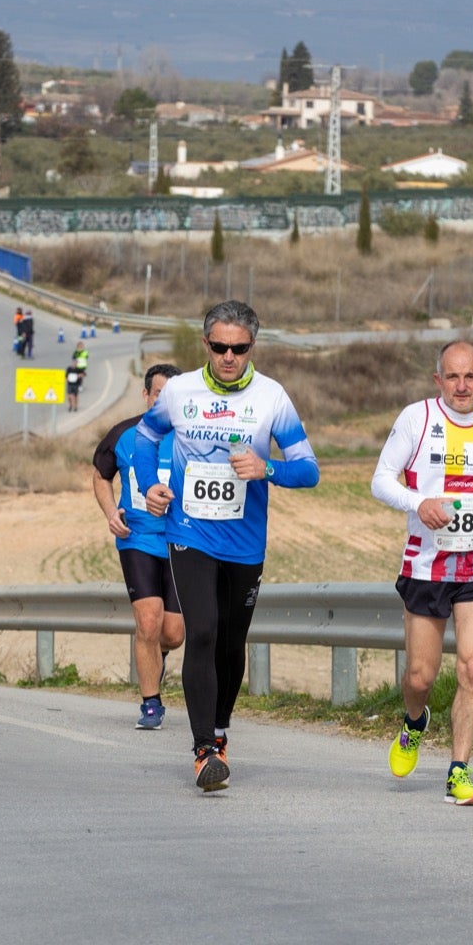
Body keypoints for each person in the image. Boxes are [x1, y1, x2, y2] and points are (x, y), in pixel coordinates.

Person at [134, 300, 320, 791]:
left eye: (239, 348)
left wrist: (269, 469)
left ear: (251, 347)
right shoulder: (179, 391)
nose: (229, 356)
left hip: (245, 543)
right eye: (220, 347)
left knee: (231, 642)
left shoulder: (272, 398)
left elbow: (309, 469)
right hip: (189, 532)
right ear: (206, 345)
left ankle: (220, 729)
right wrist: (151, 482)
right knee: (202, 631)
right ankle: (203, 751)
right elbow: (143, 438)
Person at [371, 341, 473, 806]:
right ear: (438, 380)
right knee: (421, 676)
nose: (462, 387)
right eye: (452, 377)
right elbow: (381, 479)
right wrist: (419, 502)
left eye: (471, 377)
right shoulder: (416, 419)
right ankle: (415, 722)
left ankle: (459, 770)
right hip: (427, 563)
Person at [92, 363, 185, 729]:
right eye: (159, 394)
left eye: (172, 396)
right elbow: (100, 475)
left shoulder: (191, 437)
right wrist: (110, 512)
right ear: (146, 395)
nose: (165, 401)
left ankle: (155, 656)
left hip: (181, 541)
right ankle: (151, 703)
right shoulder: (124, 434)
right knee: (148, 621)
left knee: (173, 633)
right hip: (138, 539)